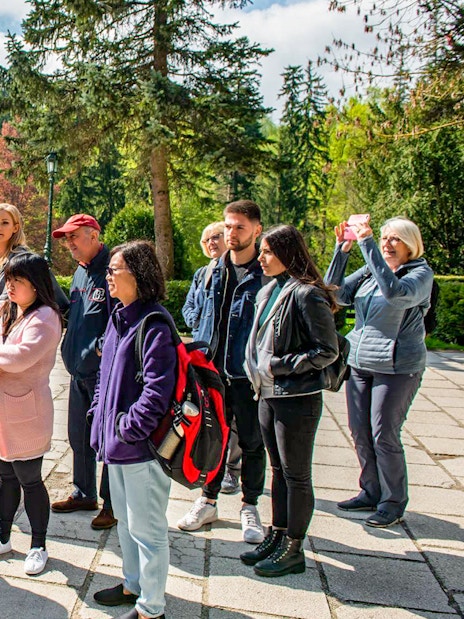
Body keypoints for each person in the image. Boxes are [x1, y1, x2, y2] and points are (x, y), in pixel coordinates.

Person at [241, 225, 339, 577]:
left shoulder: (306, 294)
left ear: (288, 252)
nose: (261, 257)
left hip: (296, 398)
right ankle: (278, 533)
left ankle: (294, 548)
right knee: (278, 471)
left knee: (297, 475)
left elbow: (327, 351)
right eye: (262, 251)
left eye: (268, 251)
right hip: (267, 392)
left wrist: (279, 366)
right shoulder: (271, 291)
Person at [325, 216, 434, 527]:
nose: (387, 243)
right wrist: (342, 250)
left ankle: (393, 502)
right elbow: (335, 294)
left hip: (398, 368)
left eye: (394, 239)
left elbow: (395, 294)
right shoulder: (373, 272)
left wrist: (367, 243)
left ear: (411, 244)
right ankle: (371, 491)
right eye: (383, 237)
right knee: (360, 431)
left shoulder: (420, 274)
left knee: (384, 434)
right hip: (360, 363)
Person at [90, 240, 176, 619]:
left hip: (141, 450)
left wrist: (127, 428)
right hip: (117, 446)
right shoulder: (118, 317)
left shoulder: (154, 324)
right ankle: (133, 584)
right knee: (125, 522)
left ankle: (151, 607)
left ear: (137, 274)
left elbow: (158, 391)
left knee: (149, 530)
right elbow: (103, 376)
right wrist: (97, 415)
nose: (107, 276)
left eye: (114, 269)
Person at [177, 200, 267, 543]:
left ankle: (250, 505)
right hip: (211, 372)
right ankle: (208, 500)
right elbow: (197, 310)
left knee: (251, 441)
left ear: (256, 230)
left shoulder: (264, 273)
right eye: (228, 226)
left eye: (240, 227)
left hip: (247, 375)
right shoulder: (213, 270)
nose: (231, 233)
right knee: (211, 439)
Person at [50, 214, 116, 530]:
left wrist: (99, 350)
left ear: (93, 234)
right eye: (66, 239)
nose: (70, 244)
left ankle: (112, 504)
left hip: (103, 375)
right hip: (77, 372)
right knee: (79, 437)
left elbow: (121, 320)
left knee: (108, 442)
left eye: (74, 237)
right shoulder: (79, 273)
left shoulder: (113, 269)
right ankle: (84, 492)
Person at [0, 253, 63, 575]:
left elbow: (19, 358)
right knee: (5, 477)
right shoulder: (17, 312)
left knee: (30, 480)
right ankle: (3, 537)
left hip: (27, 413)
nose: (10, 287)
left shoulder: (46, 318)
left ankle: (39, 544)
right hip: (5, 414)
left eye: (17, 281)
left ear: (36, 285)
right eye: (8, 280)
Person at [182, 221, 241, 494]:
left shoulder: (234, 274)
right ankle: (211, 466)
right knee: (211, 414)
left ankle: (233, 470)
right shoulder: (202, 273)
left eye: (215, 237)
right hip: (204, 354)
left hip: (228, 359)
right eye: (206, 240)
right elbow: (189, 305)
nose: (211, 243)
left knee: (235, 419)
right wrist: (195, 322)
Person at [0, 203, 68, 311]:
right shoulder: (4, 259)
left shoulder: (22, 260)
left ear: (15, 228)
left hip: (27, 323)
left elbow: (4, 303)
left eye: (5, 223)